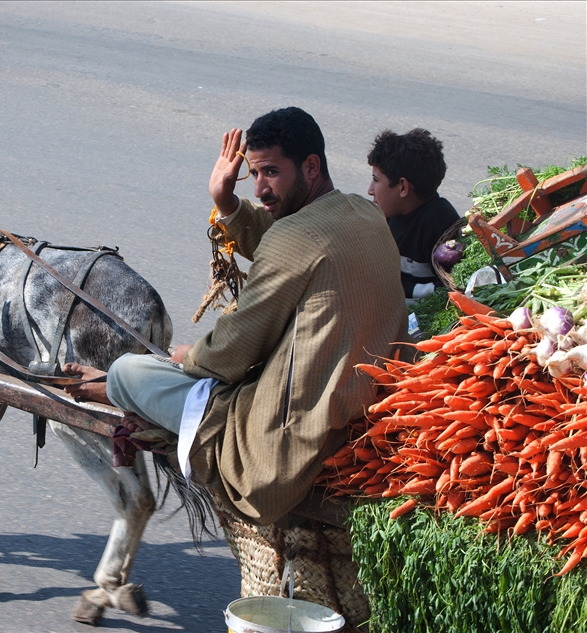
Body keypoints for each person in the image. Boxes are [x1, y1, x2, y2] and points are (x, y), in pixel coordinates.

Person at [66, 107, 410, 527]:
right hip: (359, 401)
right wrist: (226, 202)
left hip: (290, 437)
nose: (261, 188)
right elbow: (287, 251)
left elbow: (233, 349)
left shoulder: (295, 238)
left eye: (271, 172)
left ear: (311, 166)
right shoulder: (362, 212)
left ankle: (107, 388)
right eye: (254, 174)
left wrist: (189, 357)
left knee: (127, 371)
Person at [366, 128, 461, 302]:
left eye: (376, 180)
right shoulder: (386, 216)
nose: (370, 190)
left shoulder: (439, 221)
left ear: (403, 187)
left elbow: (454, 287)